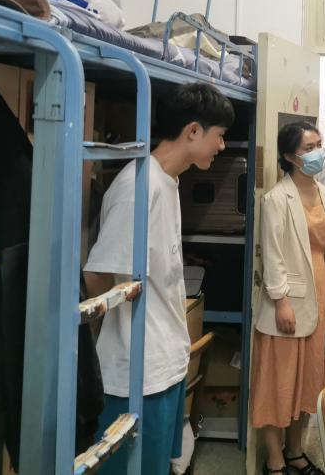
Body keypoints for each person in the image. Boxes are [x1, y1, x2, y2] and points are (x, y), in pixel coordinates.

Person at [84, 83, 234, 475]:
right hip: (138, 372)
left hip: (164, 362)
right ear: (193, 131)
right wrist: (121, 331)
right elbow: (98, 274)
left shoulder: (168, 181)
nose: (222, 146)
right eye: (220, 136)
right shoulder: (139, 187)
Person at [251, 121, 325, 475]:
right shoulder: (276, 198)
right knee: (278, 384)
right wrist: (281, 301)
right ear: (290, 156)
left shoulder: (324, 192)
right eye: (309, 148)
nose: (318, 152)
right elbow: (272, 255)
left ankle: (295, 451)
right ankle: (274, 461)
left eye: (319, 144)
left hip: (320, 297)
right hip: (289, 302)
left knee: (308, 380)